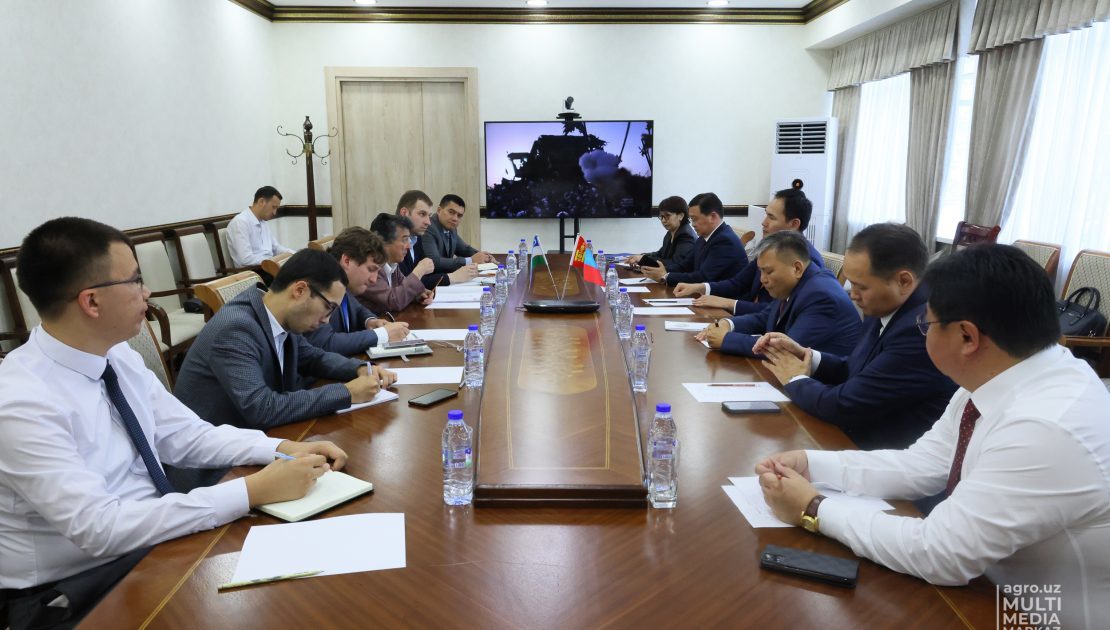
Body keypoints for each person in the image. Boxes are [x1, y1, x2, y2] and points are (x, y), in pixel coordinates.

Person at [0, 218, 345, 628]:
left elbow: (184, 434)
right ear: (91, 302)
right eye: (136, 280)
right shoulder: (21, 402)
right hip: (74, 590)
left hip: (150, 544)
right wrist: (251, 490)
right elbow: (100, 529)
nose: (147, 292)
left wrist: (278, 448)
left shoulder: (116, 355)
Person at [756, 244, 1110, 629]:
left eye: (927, 324)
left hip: (1031, 614)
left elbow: (940, 554)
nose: (922, 332)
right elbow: (922, 464)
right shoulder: (999, 376)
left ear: (967, 337)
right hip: (983, 587)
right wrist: (812, 464)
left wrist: (813, 508)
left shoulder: (1046, 427)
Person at [754, 223, 956, 450]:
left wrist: (794, 378)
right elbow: (856, 369)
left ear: (904, 281)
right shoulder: (886, 304)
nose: (852, 294)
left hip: (883, 451)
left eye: (861, 287)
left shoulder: (922, 329)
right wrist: (807, 356)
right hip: (857, 435)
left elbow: (844, 405)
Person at [174, 249, 396, 431]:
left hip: (255, 437)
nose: (327, 320)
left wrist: (359, 368)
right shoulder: (236, 329)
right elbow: (262, 408)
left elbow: (313, 358)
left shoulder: (277, 315)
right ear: (299, 290)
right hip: (216, 458)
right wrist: (347, 393)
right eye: (328, 308)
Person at [696, 231, 861, 358]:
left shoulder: (821, 295)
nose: (762, 279)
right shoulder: (795, 284)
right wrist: (727, 324)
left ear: (797, 268)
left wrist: (726, 339)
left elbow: (786, 349)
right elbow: (764, 317)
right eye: (761, 272)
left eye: (768, 272)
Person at [674, 188, 825, 315]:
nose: (763, 222)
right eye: (766, 214)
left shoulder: (808, 261)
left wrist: (727, 303)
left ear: (794, 224)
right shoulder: (769, 249)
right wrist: (700, 287)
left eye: (771, 217)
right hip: (748, 319)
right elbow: (738, 283)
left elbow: (777, 311)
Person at [303, 226, 411, 356]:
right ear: (347, 261)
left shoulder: (341, 281)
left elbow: (357, 308)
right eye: (371, 269)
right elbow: (325, 343)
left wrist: (370, 321)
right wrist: (382, 334)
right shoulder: (320, 284)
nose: (374, 279)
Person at [639, 192, 746, 285]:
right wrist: (660, 270)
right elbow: (684, 266)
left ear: (712, 217)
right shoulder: (704, 237)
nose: (692, 224)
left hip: (723, 299)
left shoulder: (725, 241)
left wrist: (666, 276)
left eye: (695, 219)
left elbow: (703, 277)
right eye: (691, 219)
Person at [396, 190, 478, 289]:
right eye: (422, 214)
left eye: (429, 216)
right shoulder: (392, 242)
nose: (428, 222)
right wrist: (453, 277)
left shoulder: (416, 239)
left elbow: (422, 279)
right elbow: (403, 284)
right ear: (404, 213)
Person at [358, 213, 436, 314]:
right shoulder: (371, 268)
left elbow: (402, 289)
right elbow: (394, 301)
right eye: (404, 240)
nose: (409, 246)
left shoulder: (392, 263)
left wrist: (419, 295)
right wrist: (419, 271)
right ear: (383, 242)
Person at [420, 194, 494, 273]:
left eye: (459, 215)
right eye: (451, 212)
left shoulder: (451, 228)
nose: (455, 219)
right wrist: (470, 260)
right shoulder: (428, 227)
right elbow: (434, 262)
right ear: (439, 210)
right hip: (428, 279)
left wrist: (486, 257)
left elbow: (464, 249)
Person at [226, 186, 294, 268]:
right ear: (261, 201)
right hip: (254, 270)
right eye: (273, 207)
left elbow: (276, 248)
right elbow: (245, 260)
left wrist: (295, 254)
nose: (274, 213)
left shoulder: (263, 221)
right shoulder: (240, 222)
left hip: (268, 266)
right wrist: (272, 261)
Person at [625, 195, 696, 271]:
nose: (663, 220)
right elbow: (660, 254)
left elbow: (676, 264)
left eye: (667, 216)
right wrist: (641, 256)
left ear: (681, 216)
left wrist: (643, 259)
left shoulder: (686, 236)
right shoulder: (670, 233)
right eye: (661, 216)